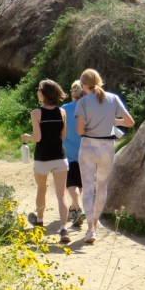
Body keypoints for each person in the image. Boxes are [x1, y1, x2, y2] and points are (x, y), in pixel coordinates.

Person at [74, 68, 135, 245]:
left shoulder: (83, 102)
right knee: (101, 186)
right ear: (99, 81)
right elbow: (130, 122)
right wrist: (112, 121)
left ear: (83, 85)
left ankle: (90, 229)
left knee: (87, 188)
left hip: (88, 146)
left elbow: (79, 130)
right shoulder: (113, 98)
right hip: (107, 147)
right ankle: (95, 221)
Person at [21, 80, 72, 244]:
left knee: (41, 190)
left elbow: (37, 138)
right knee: (61, 194)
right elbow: (63, 136)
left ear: (43, 94)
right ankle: (64, 229)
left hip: (43, 157)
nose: (37, 92)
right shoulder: (62, 112)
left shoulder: (36, 113)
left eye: (39, 89)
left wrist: (26, 137)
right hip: (60, 156)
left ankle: (40, 221)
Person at [60, 80, 86, 229]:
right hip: (85, 151)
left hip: (68, 151)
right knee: (79, 182)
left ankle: (78, 207)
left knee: (71, 182)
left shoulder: (64, 109)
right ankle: (74, 209)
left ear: (72, 92)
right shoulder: (88, 108)